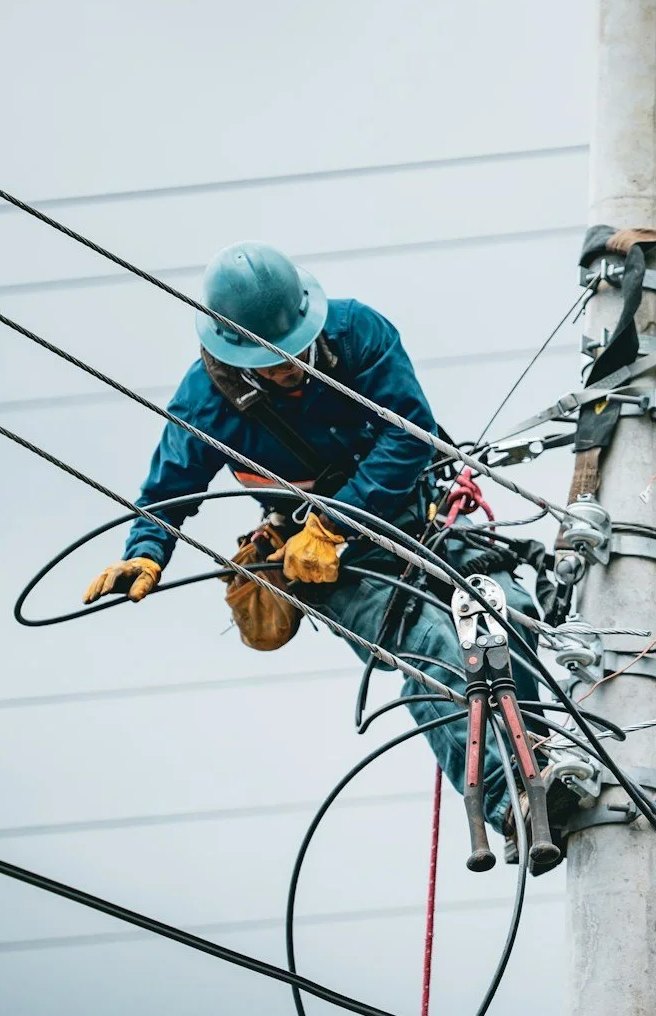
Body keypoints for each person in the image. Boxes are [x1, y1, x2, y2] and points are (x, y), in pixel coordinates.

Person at [82, 242, 542, 828]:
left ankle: (537, 760)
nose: (290, 369)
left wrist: (335, 517)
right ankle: (513, 806)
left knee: (512, 616)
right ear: (237, 354)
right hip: (327, 560)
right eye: (273, 362)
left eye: (296, 351)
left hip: (421, 510)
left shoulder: (358, 334)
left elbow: (410, 434)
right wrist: (145, 552)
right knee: (435, 654)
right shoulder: (205, 403)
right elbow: (169, 490)